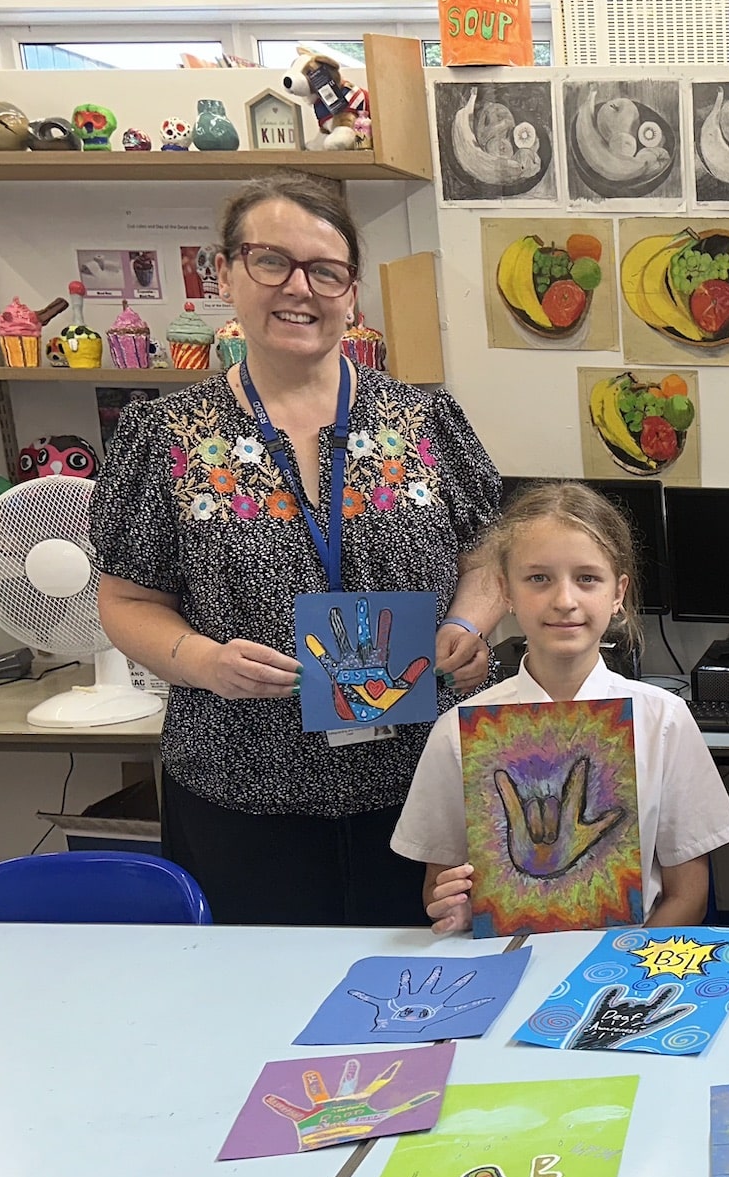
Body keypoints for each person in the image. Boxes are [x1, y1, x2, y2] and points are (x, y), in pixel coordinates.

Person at [94, 172, 504, 926]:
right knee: (257, 1013)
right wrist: (202, 662)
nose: (300, 289)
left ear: (351, 293)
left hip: (424, 787)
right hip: (242, 790)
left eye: (326, 271)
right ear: (224, 272)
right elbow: (124, 599)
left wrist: (471, 625)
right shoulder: (163, 435)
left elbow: (488, 555)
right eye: (271, 261)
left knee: (425, 1000)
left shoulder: (424, 419)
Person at [395, 482, 729, 933]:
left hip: (626, 967)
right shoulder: (460, 731)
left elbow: (688, 896)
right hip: (506, 960)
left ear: (617, 594)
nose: (564, 600)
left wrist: (616, 967)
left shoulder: (664, 720)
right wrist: (455, 908)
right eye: (538, 578)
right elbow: (438, 884)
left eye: (587, 578)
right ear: (506, 593)